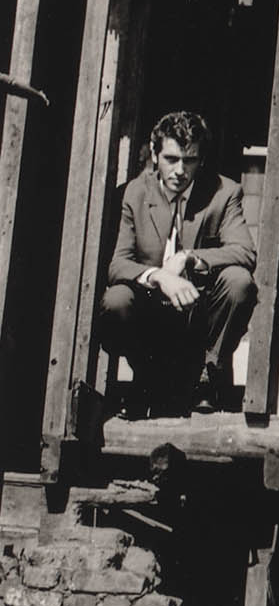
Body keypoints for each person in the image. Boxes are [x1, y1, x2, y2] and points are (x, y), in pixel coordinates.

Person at [100, 110, 256, 416]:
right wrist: (159, 276)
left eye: (190, 160)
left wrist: (189, 258)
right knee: (116, 298)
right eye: (171, 159)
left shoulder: (225, 192)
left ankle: (206, 376)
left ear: (202, 159)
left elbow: (244, 252)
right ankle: (144, 375)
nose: (180, 170)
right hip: (150, 314)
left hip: (199, 315)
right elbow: (118, 264)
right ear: (155, 154)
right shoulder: (133, 192)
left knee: (239, 280)